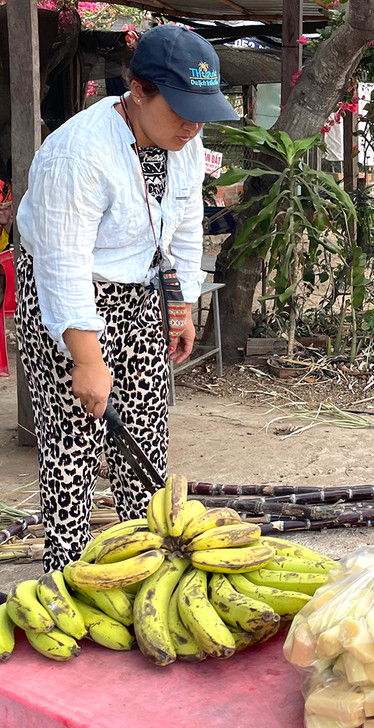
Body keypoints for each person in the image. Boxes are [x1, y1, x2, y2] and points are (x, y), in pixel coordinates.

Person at [14, 25, 238, 572]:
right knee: (74, 439)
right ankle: (67, 572)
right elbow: (62, 263)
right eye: (181, 108)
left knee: (143, 432)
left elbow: (184, 225)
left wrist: (179, 306)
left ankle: (146, 560)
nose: (193, 124)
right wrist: (86, 359)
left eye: (201, 110)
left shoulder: (185, 142)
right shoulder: (78, 154)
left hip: (138, 286)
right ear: (138, 90)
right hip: (68, 292)